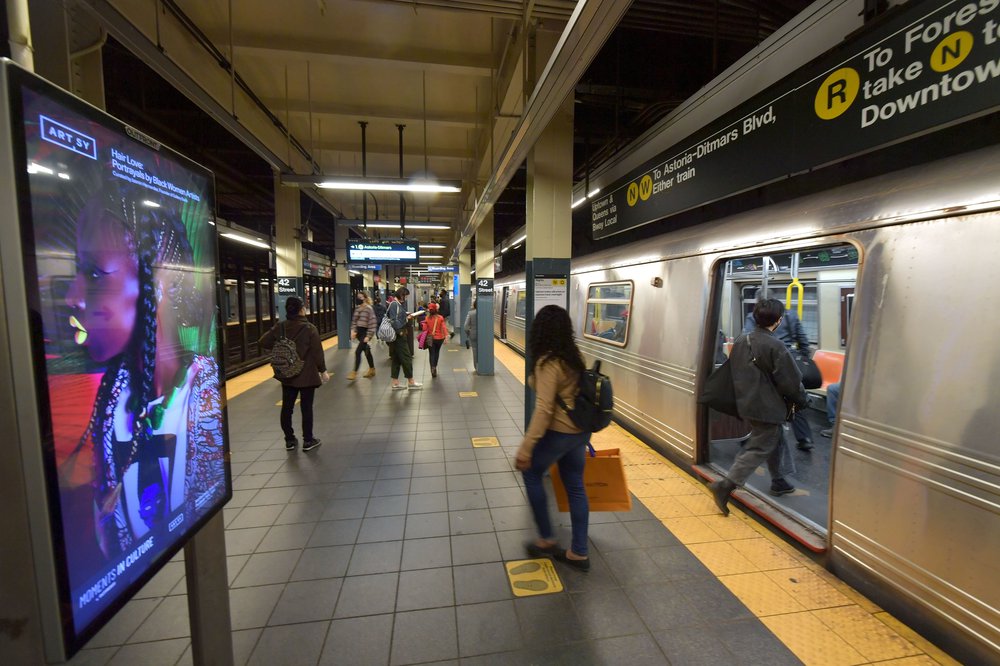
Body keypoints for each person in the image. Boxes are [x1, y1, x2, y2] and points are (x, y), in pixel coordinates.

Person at [63, 191, 225, 560]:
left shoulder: (204, 391)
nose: (73, 296)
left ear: (157, 284)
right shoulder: (111, 401)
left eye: (93, 273)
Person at [711, 298, 809, 515]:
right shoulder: (776, 346)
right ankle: (725, 485)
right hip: (768, 407)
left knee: (775, 440)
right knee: (759, 447)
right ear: (778, 320)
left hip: (747, 403)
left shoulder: (741, 340)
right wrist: (802, 400)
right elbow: (791, 382)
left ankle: (779, 480)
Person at [515, 305, 591, 571]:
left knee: (531, 473)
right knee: (576, 487)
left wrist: (526, 448)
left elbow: (545, 409)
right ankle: (579, 552)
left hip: (559, 433)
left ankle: (547, 539)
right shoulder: (575, 356)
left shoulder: (548, 362)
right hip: (579, 432)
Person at [742, 291, 815, 451]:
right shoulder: (791, 314)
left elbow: (748, 339)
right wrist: (800, 358)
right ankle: (804, 438)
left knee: (759, 398)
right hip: (789, 361)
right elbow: (803, 340)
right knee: (794, 397)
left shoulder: (753, 317)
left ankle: (751, 436)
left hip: (764, 364)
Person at [259, 297, 328, 452]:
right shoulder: (310, 328)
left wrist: (280, 346)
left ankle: (289, 440)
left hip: (287, 374)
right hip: (307, 375)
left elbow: (263, 342)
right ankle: (308, 440)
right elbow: (317, 352)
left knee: (287, 408)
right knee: (306, 408)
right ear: (301, 309)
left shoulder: (281, 327)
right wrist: (323, 371)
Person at [387, 286, 422, 390]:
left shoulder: (397, 304)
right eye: (405, 296)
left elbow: (397, 317)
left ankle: (395, 383)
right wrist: (405, 321)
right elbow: (394, 320)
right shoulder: (394, 304)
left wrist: (405, 315)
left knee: (396, 359)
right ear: (401, 295)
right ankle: (411, 381)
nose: (406, 298)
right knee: (406, 357)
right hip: (399, 335)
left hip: (397, 335)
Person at [348, 292, 377, 380]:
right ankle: (372, 369)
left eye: (360, 297)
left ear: (364, 298)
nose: (358, 299)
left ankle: (354, 372)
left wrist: (368, 336)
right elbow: (354, 320)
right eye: (358, 297)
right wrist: (353, 331)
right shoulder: (357, 309)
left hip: (365, 332)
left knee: (358, 352)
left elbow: (372, 322)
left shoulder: (369, 309)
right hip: (359, 333)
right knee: (366, 351)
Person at [421, 302, 448, 378]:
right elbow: (443, 327)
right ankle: (435, 366)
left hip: (431, 338)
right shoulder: (440, 318)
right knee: (437, 352)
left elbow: (424, 329)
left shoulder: (427, 318)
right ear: (436, 309)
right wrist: (446, 337)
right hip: (439, 339)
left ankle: (432, 367)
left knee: (431, 353)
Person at [464, 298, 478, 372]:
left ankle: (476, 367)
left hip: (473, 334)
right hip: (484, 336)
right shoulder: (486, 312)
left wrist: (469, 332)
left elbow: (465, 327)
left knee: (475, 350)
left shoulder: (471, 313)